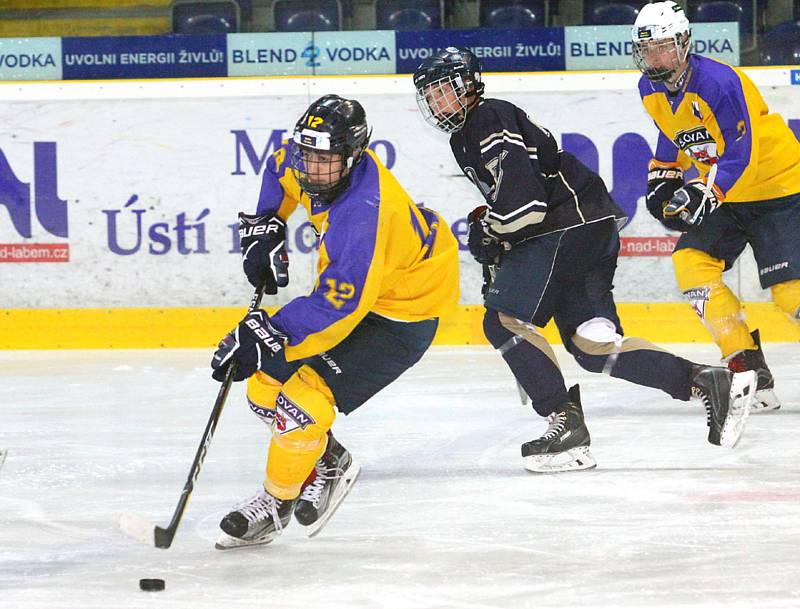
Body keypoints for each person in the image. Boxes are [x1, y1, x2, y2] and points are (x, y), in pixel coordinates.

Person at [412, 47, 757, 473]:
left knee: (501, 320)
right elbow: (516, 200)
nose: (436, 101)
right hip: (589, 229)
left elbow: (525, 208)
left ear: (468, 85)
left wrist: (492, 231)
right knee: (592, 345)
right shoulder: (469, 132)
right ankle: (706, 381)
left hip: (564, 228)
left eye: (443, 90)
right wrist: (497, 230)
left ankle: (564, 422)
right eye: (428, 95)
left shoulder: (487, 117)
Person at [210, 94, 460, 549]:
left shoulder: (364, 212)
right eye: (309, 154)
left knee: (301, 405)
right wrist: (269, 224)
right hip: (372, 290)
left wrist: (269, 331)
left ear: (353, 155)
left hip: (403, 313)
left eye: (327, 159)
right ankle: (331, 460)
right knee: (265, 384)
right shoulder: (302, 157)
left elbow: (340, 303)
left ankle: (276, 502)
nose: (313, 168)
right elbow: (280, 171)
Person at [632, 0, 800, 411]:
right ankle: (746, 365)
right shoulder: (649, 87)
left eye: (664, 46)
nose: (656, 56)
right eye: (648, 48)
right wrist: (664, 174)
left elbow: (741, 153)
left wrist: (706, 192)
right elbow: (672, 132)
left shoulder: (719, 82)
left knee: (790, 294)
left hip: (776, 187)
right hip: (726, 192)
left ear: (684, 43)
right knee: (691, 264)